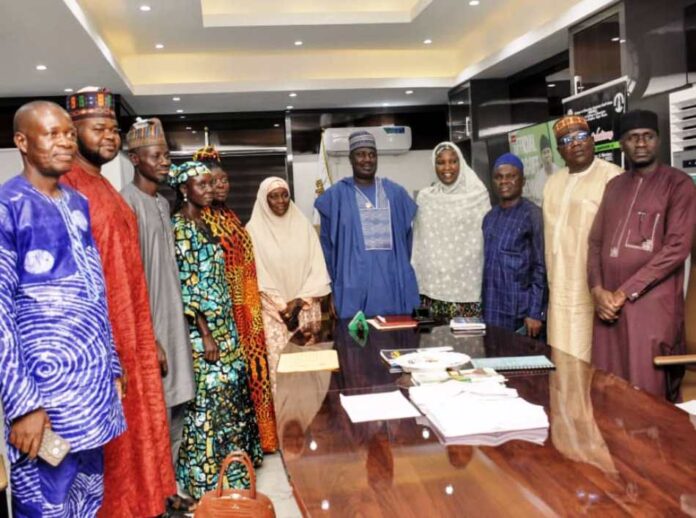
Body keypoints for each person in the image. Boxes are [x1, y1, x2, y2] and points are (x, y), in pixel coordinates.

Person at [1, 101, 125, 517]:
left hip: (90, 391)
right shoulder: (8, 205)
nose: (66, 142)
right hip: (43, 400)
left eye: (69, 133)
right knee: (46, 502)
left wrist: (112, 369)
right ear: (22, 141)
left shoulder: (77, 203)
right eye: (52, 133)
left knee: (88, 496)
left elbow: (96, 290)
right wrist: (23, 405)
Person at [60, 88, 175, 517]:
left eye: (113, 129)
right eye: (99, 128)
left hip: (133, 336)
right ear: (73, 132)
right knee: (112, 459)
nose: (110, 136)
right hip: (103, 346)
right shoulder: (67, 188)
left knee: (139, 442)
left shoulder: (101, 184)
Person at [168, 161, 263, 500]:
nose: (209, 190)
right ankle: (204, 480)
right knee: (207, 407)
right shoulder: (179, 228)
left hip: (226, 327)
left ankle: (233, 473)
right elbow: (186, 285)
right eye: (202, 185)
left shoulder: (204, 223)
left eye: (211, 184)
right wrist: (206, 333)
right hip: (203, 333)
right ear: (183, 190)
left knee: (229, 405)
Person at [588, 110, 696, 397]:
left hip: (650, 309)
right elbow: (595, 242)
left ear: (658, 141)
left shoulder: (678, 184)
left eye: (648, 136)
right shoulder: (614, 186)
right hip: (607, 309)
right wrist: (597, 291)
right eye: (632, 138)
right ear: (622, 144)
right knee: (607, 386)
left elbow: (677, 248)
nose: (640, 144)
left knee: (645, 391)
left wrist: (624, 293)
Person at [121, 118, 197, 512]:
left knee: (176, 410)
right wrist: (150, 337)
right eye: (156, 155)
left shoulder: (163, 203)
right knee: (152, 418)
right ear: (135, 159)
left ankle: (168, 488)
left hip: (173, 322)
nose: (165, 162)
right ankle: (154, 495)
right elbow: (128, 280)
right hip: (151, 330)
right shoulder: (126, 203)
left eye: (167, 155)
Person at [194, 146, 279, 453]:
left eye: (224, 179)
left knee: (254, 376)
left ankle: (260, 442)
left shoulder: (228, 215)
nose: (221, 186)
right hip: (223, 314)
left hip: (248, 313)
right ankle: (231, 455)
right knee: (229, 387)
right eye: (212, 181)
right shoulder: (198, 220)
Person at [315, 130, 420, 318]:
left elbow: (410, 242)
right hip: (352, 288)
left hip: (393, 285)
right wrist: (330, 290)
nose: (367, 159)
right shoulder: (335, 197)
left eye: (372, 154)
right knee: (356, 343)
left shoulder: (395, 193)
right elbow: (326, 249)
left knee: (395, 342)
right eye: (360, 154)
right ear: (351, 158)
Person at [543, 115, 621, 362]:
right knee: (559, 355)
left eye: (580, 136)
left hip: (594, 288)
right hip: (558, 288)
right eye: (567, 140)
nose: (575, 143)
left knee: (592, 358)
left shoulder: (613, 177)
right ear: (559, 150)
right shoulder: (553, 182)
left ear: (592, 140)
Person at [246, 176, 332, 393]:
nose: (281, 201)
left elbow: (318, 268)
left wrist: (300, 302)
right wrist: (284, 308)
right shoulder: (252, 231)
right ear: (264, 200)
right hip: (274, 316)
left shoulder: (303, 226)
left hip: (305, 312)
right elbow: (258, 277)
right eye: (273, 197)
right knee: (281, 374)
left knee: (308, 375)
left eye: (285, 195)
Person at [412, 141, 490, 320]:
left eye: (453, 161)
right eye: (441, 162)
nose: (447, 167)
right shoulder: (426, 198)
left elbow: (485, 241)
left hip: (467, 292)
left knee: (468, 346)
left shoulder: (478, 196)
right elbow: (419, 245)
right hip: (430, 292)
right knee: (430, 345)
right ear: (434, 165)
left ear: (461, 163)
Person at [482, 153, 547, 337]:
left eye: (511, 176)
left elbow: (540, 267)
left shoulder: (532, 215)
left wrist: (535, 313)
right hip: (491, 309)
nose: (504, 181)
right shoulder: (489, 217)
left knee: (519, 364)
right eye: (499, 177)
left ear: (523, 180)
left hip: (520, 314)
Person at [526, 133, 558, 206]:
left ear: (551, 153)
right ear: (541, 156)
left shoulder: (559, 172)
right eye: (544, 153)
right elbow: (536, 199)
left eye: (548, 152)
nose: (547, 155)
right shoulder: (538, 176)